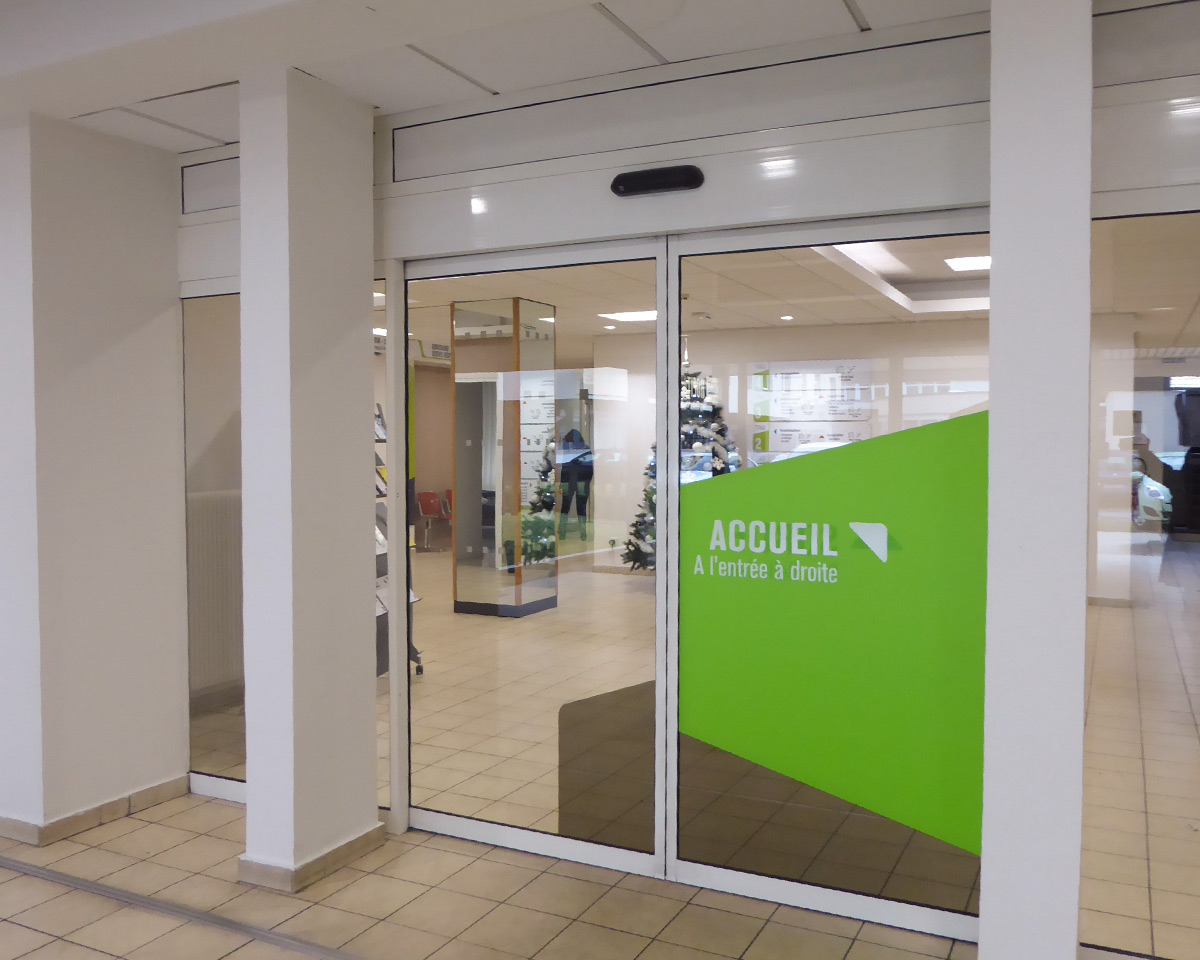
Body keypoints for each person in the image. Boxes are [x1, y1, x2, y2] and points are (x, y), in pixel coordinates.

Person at [558, 428, 594, 539]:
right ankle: (583, 534)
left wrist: (562, 484)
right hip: (582, 483)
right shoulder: (586, 449)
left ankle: (562, 533)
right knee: (581, 509)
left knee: (565, 509)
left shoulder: (568, 451)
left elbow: (564, 469)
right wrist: (587, 482)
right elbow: (590, 469)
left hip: (569, 482)